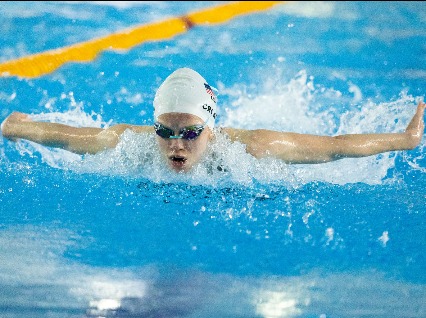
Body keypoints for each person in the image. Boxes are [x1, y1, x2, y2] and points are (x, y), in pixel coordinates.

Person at [1, 67, 425, 173]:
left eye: (189, 132)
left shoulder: (250, 150)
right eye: (165, 131)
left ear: (211, 128)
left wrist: (404, 139)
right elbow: (64, 136)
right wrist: (15, 126)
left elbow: (334, 146)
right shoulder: (127, 142)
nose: (175, 144)